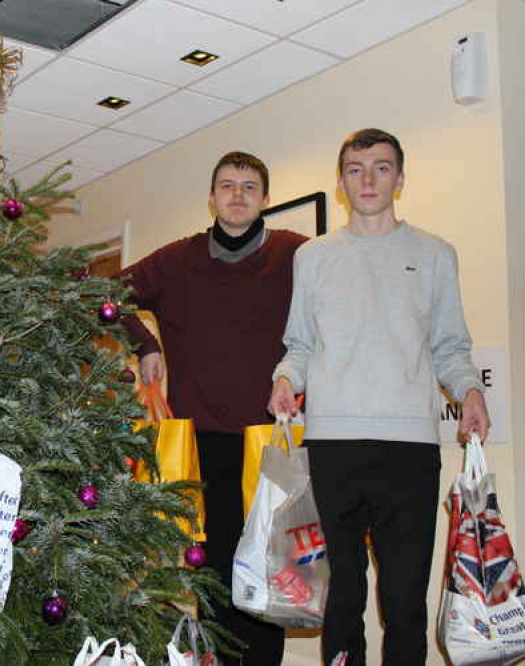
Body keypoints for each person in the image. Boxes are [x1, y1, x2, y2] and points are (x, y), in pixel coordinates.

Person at [269, 128, 490, 665]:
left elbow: (450, 347)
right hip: (332, 447)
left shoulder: (436, 254)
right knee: (341, 598)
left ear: (400, 179)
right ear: (341, 183)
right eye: (355, 169)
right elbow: (300, 344)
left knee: (404, 599)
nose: (368, 179)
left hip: (408, 450)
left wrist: (470, 392)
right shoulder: (313, 258)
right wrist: (284, 379)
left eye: (381, 167)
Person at [121, 151, 307, 665]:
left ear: (265, 199)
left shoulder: (296, 253)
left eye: (250, 186)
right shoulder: (177, 259)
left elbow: (334, 310)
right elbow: (101, 294)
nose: (238, 195)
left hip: (270, 443)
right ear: (212, 197)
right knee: (215, 574)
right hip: (202, 446)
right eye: (228, 185)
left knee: (269, 574)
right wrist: (146, 345)